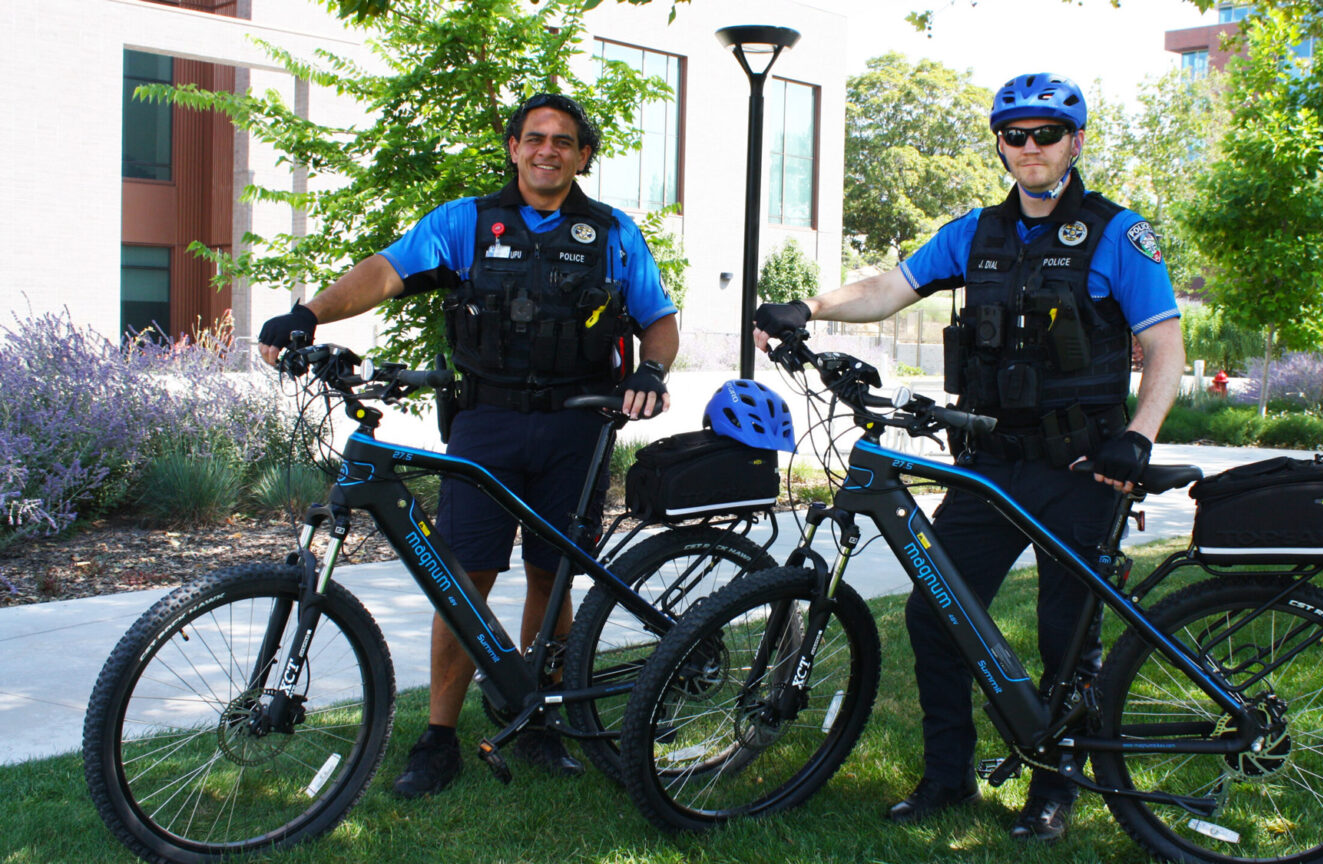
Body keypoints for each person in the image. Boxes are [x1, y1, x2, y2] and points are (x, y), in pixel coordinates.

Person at [753, 73, 1183, 843]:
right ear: (1000, 143)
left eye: (1046, 134)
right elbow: (890, 287)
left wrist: (1139, 436)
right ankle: (946, 778)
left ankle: (1053, 789)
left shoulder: (1119, 234)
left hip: (1084, 468)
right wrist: (809, 307)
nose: (1030, 147)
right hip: (988, 466)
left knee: (1066, 632)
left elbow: (1165, 347)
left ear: (1075, 142)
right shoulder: (975, 234)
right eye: (1014, 134)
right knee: (936, 613)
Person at [257, 92, 679, 798]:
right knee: (463, 579)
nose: (548, 149)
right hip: (486, 425)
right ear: (513, 146)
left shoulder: (612, 232)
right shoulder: (466, 223)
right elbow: (385, 272)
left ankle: (537, 714)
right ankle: (439, 737)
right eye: (535, 137)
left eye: (564, 141)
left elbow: (658, 319)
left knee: (553, 575)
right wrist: (308, 313)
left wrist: (652, 367)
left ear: (582, 156)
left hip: (580, 425)